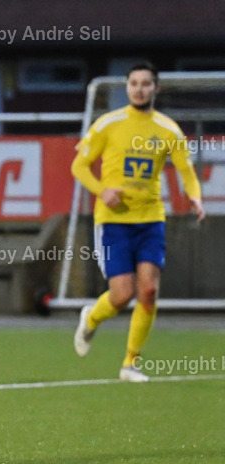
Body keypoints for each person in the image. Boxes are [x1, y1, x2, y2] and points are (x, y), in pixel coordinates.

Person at [71, 62, 204, 382]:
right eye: (134, 83)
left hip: (150, 220)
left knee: (149, 291)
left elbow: (186, 171)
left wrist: (196, 196)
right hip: (113, 221)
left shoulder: (168, 130)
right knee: (122, 294)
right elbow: (79, 166)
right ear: (127, 87)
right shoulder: (108, 124)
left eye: (146, 83)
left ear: (156, 88)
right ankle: (91, 318)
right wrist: (103, 191)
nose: (139, 89)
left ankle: (130, 363)